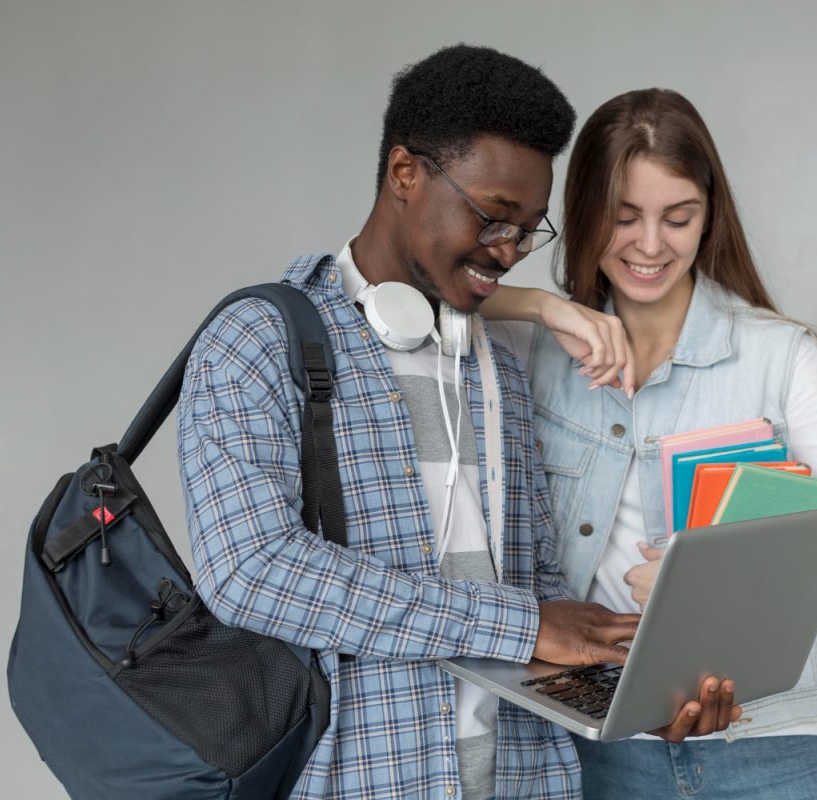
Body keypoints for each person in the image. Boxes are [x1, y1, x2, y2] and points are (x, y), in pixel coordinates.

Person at [178, 50, 734, 800]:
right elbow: (252, 573)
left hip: (526, 782)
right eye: (492, 217)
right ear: (405, 174)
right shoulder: (255, 341)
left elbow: (539, 589)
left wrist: (636, 695)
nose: (507, 252)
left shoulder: (495, 360)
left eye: (527, 230)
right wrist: (519, 625)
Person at [483, 88, 817, 799]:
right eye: (624, 219)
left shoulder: (780, 356)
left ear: (709, 218)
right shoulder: (528, 348)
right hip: (591, 751)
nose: (651, 246)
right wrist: (542, 303)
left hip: (772, 751)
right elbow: (404, 289)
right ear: (584, 214)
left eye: (678, 218)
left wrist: (703, 589)